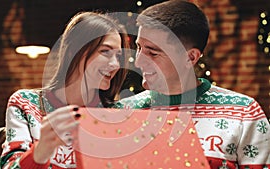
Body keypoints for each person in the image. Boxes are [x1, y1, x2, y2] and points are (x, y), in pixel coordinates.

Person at [112, 0, 270, 168]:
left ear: (191, 57)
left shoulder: (244, 113)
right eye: (139, 48)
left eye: (153, 53)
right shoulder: (123, 113)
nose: (138, 62)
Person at [0, 11, 130, 169]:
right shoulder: (26, 103)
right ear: (74, 51)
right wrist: (40, 152)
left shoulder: (115, 113)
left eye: (118, 56)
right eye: (105, 51)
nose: (116, 64)